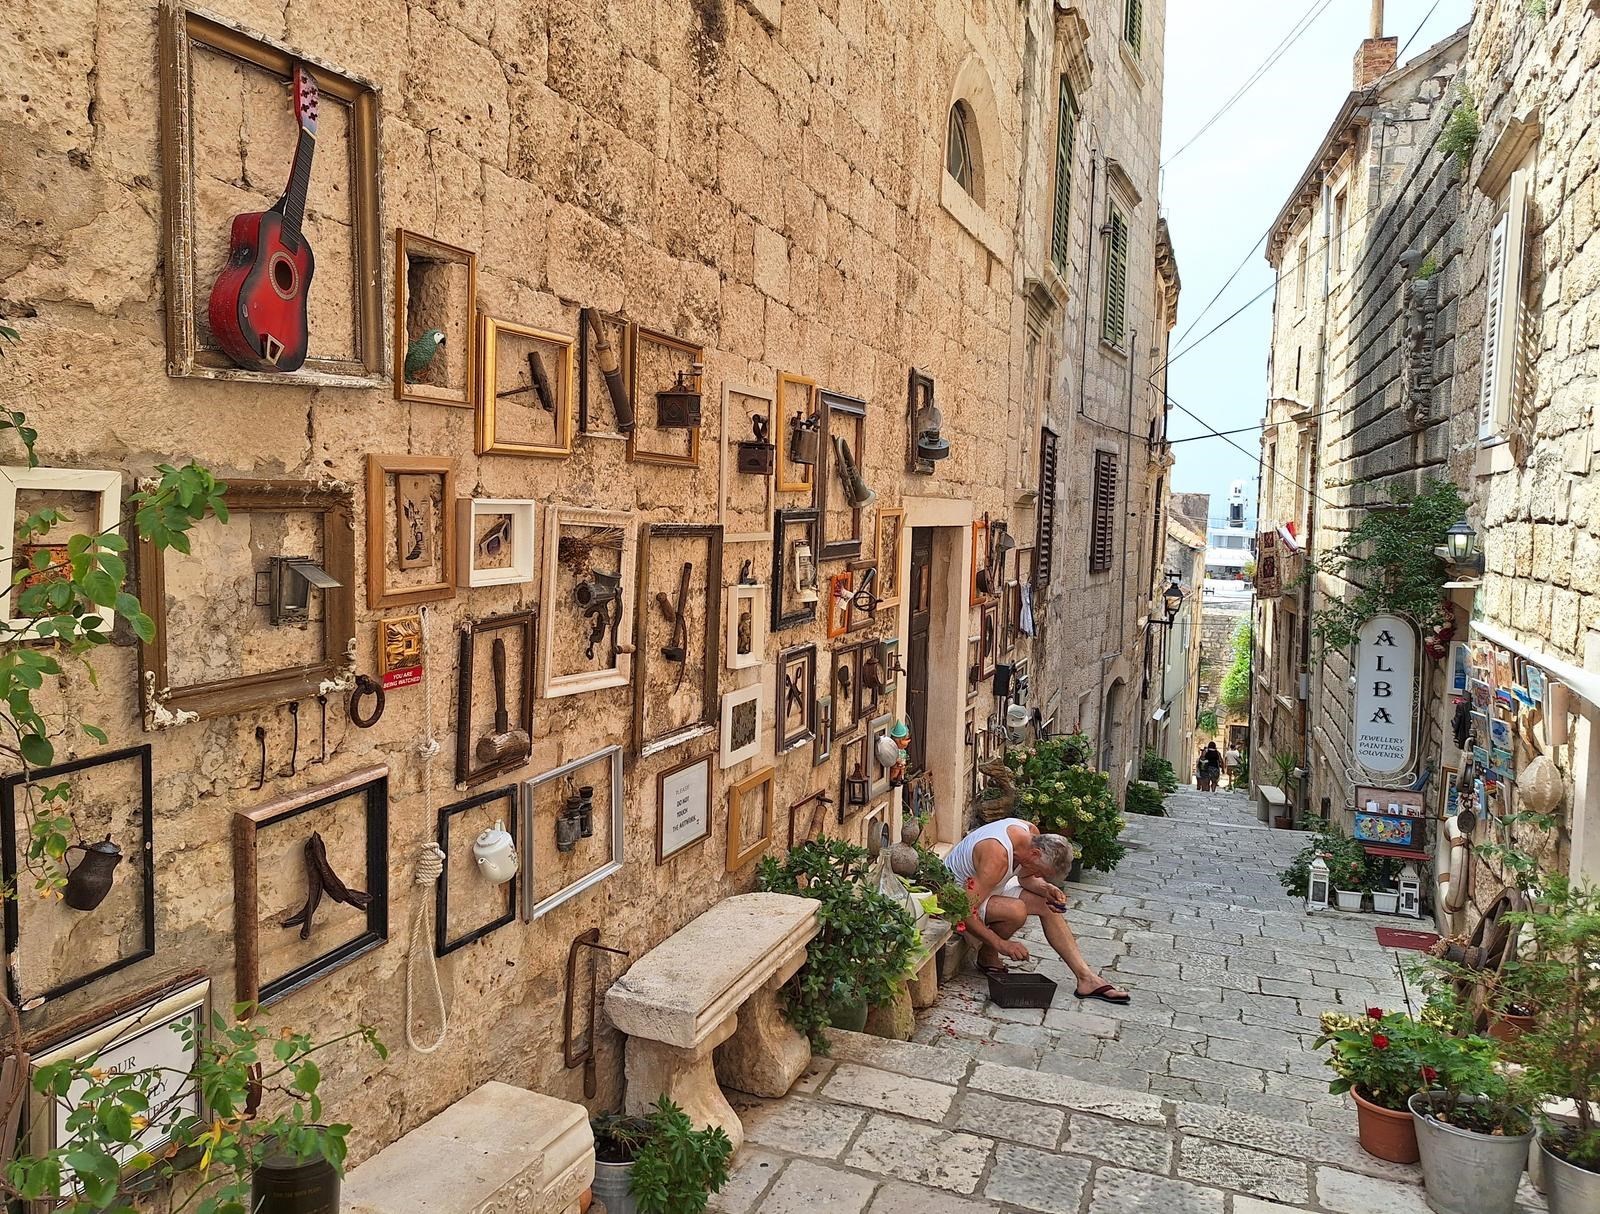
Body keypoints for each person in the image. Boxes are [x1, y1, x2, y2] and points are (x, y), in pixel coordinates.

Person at [944, 817, 1130, 1005]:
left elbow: (1026, 878)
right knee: (1016, 910)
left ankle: (1086, 978)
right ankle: (988, 954)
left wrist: (1045, 888)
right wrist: (1002, 944)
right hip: (957, 895)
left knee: (1046, 906)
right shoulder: (996, 856)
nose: (1039, 876)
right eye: (1041, 872)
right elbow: (964, 910)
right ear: (1035, 853)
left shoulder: (1031, 834)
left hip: (989, 887)